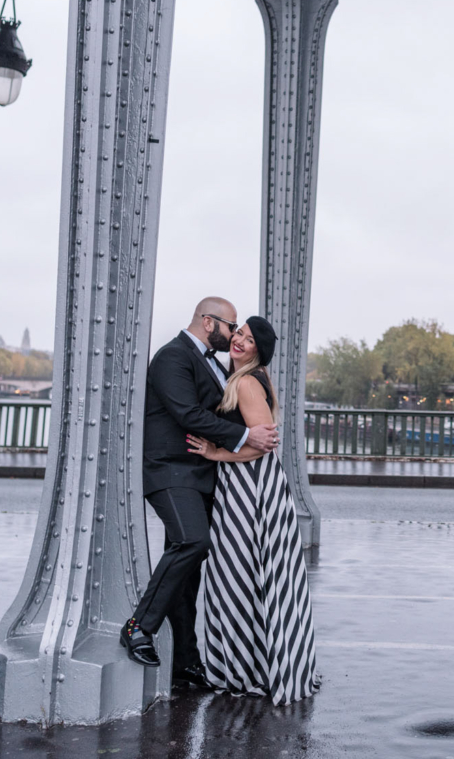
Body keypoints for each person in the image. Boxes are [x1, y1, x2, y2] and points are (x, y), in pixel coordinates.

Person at [121, 297, 280, 689]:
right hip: (170, 469)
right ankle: (139, 626)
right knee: (192, 542)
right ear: (210, 323)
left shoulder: (216, 364)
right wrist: (246, 434)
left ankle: (184, 664)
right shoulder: (172, 357)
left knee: (189, 572)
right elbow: (187, 414)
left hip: (201, 472)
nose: (234, 334)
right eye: (232, 327)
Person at [187, 315, 320, 705]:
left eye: (248, 338)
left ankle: (244, 669)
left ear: (259, 351)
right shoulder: (247, 378)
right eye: (239, 334)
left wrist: (215, 452)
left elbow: (263, 445)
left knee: (237, 577)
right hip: (249, 485)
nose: (239, 341)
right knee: (254, 576)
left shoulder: (245, 382)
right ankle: (260, 664)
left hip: (249, 488)